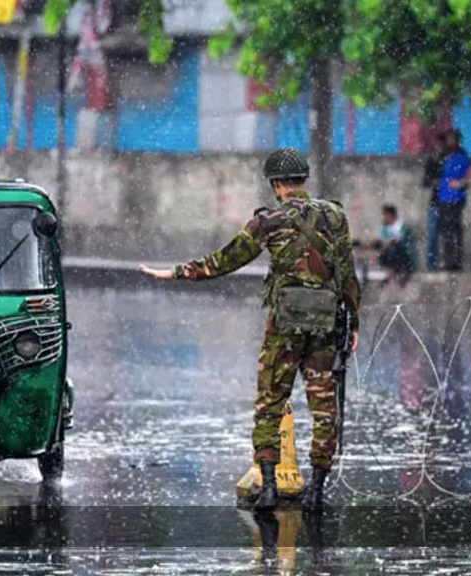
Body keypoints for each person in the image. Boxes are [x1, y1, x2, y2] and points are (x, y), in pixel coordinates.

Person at [139, 148, 361, 511]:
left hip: (284, 328)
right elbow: (348, 275)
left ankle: (270, 487)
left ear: (276, 184)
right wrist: (354, 323)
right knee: (325, 409)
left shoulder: (267, 221)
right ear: (303, 180)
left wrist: (177, 272)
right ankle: (318, 490)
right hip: (326, 327)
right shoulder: (335, 216)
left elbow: (224, 261)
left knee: (270, 405)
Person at [437, 129, 471, 271]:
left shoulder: (463, 156)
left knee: (455, 230)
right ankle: (448, 261)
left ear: (458, 140)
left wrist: (461, 183)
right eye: (449, 139)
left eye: (453, 139)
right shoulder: (446, 156)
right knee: (446, 231)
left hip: (456, 198)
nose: (450, 141)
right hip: (444, 198)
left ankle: (457, 262)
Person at [421, 132, 448, 270]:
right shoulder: (432, 160)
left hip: (450, 204)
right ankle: (432, 265)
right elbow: (425, 181)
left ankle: (447, 263)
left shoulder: (451, 160)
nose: (441, 147)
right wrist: (435, 182)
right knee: (432, 236)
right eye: (439, 144)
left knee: (447, 236)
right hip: (436, 203)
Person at [370, 204, 415, 286]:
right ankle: (393, 271)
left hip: (405, 257)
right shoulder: (385, 228)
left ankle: (396, 272)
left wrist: (379, 254)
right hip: (392, 256)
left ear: (390, 214)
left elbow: (395, 241)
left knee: (395, 247)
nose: (383, 217)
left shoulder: (402, 226)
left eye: (384, 215)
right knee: (380, 248)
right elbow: (381, 241)